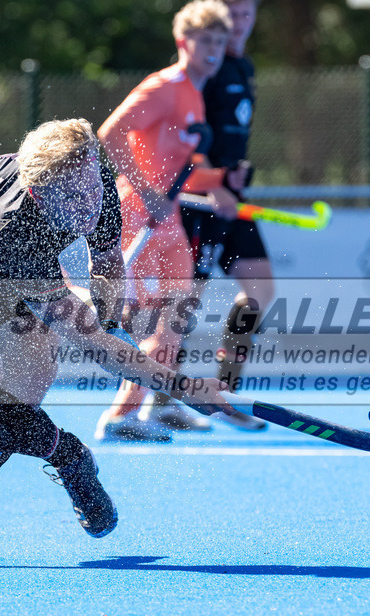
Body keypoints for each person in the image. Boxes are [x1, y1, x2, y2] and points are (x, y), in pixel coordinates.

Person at [0, 118, 234, 567]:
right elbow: (90, 340)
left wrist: (113, 316)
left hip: (4, 254)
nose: (88, 203)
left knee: (29, 387)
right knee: (0, 411)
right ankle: (57, 461)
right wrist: (186, 389)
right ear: (38, 194)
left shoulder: (93, 176)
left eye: (92, 189)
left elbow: (107, 258)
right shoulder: (8, 231)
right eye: (73, 198)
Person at [96, 0, 237, 441]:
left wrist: (216, 184)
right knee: (147, 320)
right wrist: (146, 191)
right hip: (141, 214)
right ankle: (120, 416)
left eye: (219, 41)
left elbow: (178, 167)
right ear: (183, 42)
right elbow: (109, 135)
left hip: (169, 218)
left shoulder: (195, 95)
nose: (213, 50)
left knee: (175, 318)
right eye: (205, 41)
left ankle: (147, 411)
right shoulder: (163, 86)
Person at [148, 0, 273, 432]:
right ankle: (161, 398)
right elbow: (188, 132)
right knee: (183, 302)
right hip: (197, 200)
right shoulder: (207, 65)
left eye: (247, 12)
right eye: (232, 12)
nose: (240, 21)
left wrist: (233, 174)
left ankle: (225, 393)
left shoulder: (242, 66)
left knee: (260, 288)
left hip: (229, 200)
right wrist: (212, 181)